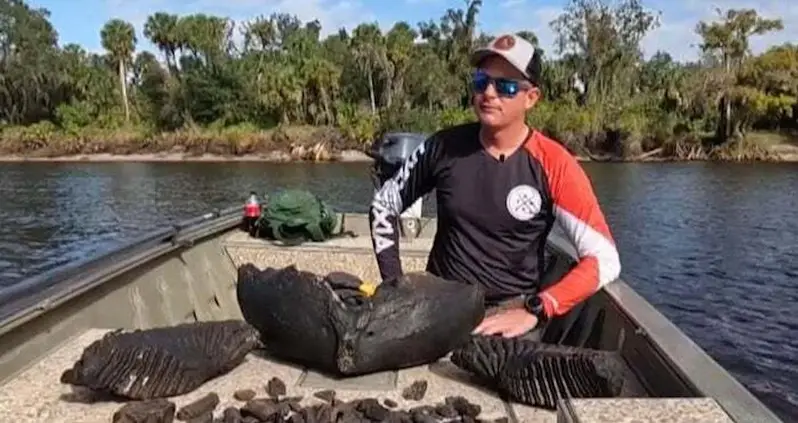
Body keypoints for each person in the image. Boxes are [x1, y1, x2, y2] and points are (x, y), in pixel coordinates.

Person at [368, 33, 621, 340]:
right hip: (438, 303)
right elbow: (384, 204)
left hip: (512, 310)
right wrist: (395, 286)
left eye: (506, 86)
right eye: (481, 82)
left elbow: (604, 259)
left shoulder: (555, 163)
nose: (489, 93)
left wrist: (537, 308)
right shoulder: (443, 147)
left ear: (531, 98)